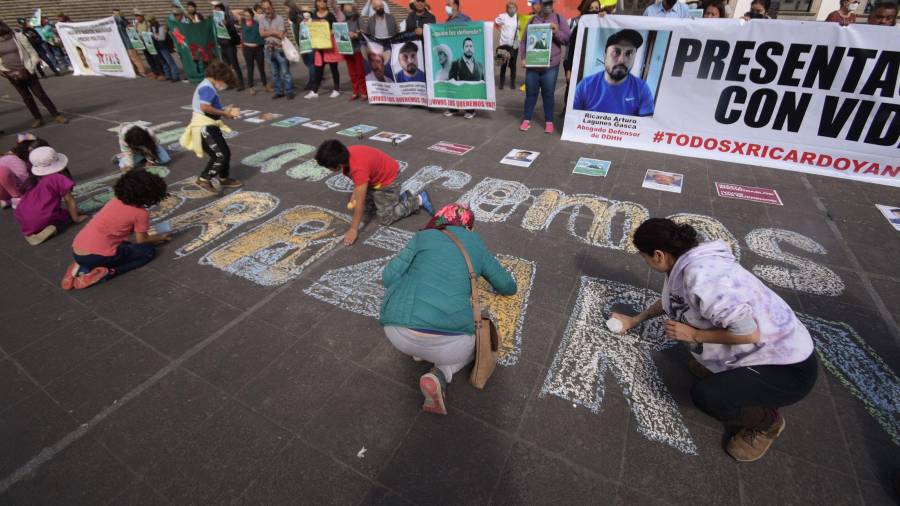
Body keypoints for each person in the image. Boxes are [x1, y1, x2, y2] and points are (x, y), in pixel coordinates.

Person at [611, 218, 818, 462]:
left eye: (644, 257)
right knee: (689, 336)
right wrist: (635, 320)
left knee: (708, 396)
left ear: (658, 255)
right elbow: (673, 302)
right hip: (770, 347)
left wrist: (695, 335)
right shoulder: (685, 261)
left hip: (787, 369)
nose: (645, 262)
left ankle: (767, 423)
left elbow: (748, 333)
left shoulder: (702, 279)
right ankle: (726, 372)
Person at [380, 204, 517, 415]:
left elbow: (388, 277)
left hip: (398, 333)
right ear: (468, 226)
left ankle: (419, 353)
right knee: (480, 341)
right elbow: (507, 286)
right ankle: (442, 373)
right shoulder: (476, 243)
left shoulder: (423, 237)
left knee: (418, 328)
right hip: (451, 344)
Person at [314, 139, 434, 246]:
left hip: (389, 181)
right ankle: (399, 198)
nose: (328, 169)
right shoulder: (346, 154)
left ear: (337, 165)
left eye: (328, 167)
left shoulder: (358, 169)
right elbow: (360, 180)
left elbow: (359, 203)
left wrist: (353, 230)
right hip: (375, 180)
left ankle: (417, 200)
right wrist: (356, 192)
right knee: (369, 209)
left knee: (385, 218)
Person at [65, 170, 171, 291]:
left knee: (126, 245)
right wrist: (160, 238)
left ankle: (81, 268)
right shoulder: (140, 213)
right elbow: (142, 240)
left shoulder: (114, 201)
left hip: (78, 249)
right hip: (96, 256)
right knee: (148, 252)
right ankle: (109, 272)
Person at [182, 60, 243, 194]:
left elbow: (208, 107)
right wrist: (224, 113)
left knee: (224, 153)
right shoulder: (207, 88)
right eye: (224, 81)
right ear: (218, 77)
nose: (224, 84)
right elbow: (205, 107)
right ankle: (204, 179)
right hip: (204, 127)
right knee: (221, 155)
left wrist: (224, 110)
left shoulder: (207, 85)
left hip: (208, 125)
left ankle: (224, 178)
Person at [14, 146, 87, 246]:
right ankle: (54, 228)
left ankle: (32, 233)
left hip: (23, 215)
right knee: (67, 216)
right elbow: (69, 200)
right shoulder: (57, 178)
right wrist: (76, 218)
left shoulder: (32, 178)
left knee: (42, 218)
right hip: (42, 216)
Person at [0, 21, 68, 129]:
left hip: (27, 70)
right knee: (26, 97)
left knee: (40, 94)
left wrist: (30, 68)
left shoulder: (17, 36)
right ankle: (38, 118)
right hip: (11, 73)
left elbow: (32, 53)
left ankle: (56, 115)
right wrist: (3, 70)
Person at [572, 29, 654, 116]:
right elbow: (573, 119)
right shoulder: (584, 86)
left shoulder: (642, 90)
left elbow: (646, 123)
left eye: (629, 53)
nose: (622, 60)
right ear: (604, 56)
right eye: (616, 52)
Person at [519, 0, 570, 133]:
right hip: (533, 64)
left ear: (553, 4)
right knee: (530, 94)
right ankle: (526, 119)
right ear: (540, 4)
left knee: (548, 94)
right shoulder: (532, 20)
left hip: (550, 66)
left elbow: (567, 39)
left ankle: (549, 121)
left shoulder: (559, 19)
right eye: (545, 3)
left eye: (550, 3)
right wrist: (523, 58)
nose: (547, 6)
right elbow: (524, 41)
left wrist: (556, 32)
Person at [443, 1, 479, 119]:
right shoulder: (447, 21)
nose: (446, 7)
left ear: (456, 6)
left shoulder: (465, 19)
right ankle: (453, 108)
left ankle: (470, 109)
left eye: (449, 4)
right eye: (446, 4)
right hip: (453, 57)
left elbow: (472, 34)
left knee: (466, 81)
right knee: (452, 81)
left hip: (463, 55)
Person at [564, 0, 601, 110]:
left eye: (597, 8)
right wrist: (568, 69)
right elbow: (571, 50)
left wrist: (606, 17)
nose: (594, 11)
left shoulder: (602, 25)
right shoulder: (579, 26)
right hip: (577, 68)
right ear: (586, 10)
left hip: (594, 68)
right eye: (591, 8)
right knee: (573, 93)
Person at [259, 0, 295, 100]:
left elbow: (281, 34)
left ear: (272, 7)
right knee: (274, 73)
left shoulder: (279, 18)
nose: (267, 11)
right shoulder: (262, 19)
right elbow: (261, 34)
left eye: (268, 8)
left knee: (285, 72)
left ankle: (289, 91)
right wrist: (274, 31)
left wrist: (269, 32)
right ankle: (279, 91)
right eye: (264, 9)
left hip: (279, 48)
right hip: (268, 49)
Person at [306, 0, 342, 99]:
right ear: (316, 3)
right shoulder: (314, 15)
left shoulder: (330, 15)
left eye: (324, 1)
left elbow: (336, 28)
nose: (322, 3)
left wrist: (329, 31)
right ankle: (314, 91)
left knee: (333, 67)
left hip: (329, 45)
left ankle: (336, 89)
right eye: (320, 1)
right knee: (318, 68)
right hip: (319, 46)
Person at [213, 2, 246, 91]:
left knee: (235, 65)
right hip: (222, 45)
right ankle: (229, 83)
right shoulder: (215, 19)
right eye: (215, 9)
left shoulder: (229, 19)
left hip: (230, 45)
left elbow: (233, 32)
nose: (217, 11)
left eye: (218, 9)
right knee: (226, 65)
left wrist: (226, 24)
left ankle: (241, 83)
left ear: (222, 11)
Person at [0, 134, 37, 210]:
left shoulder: (8, 155)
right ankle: (15, 199)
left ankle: (7, 201)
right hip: (13, 189)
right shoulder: (16, 159)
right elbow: (24, 179)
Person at [341, 3, 368, 100]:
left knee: (360, 72)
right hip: (347, 50)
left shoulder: (359, 19)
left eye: (348, 8)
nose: (347, 11)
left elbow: (365, 32)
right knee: (352, 73)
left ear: (353, 8)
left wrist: (356, 35)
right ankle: (355, 91)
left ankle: (364, 91)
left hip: (358, 49)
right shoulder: (342, 22)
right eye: (345, 10)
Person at [239, 7, 268, 95]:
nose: (247, 17)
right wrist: (244, 11)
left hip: (258, 48)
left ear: (252, 15)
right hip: (247, 49)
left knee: (261, 67)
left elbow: (262, 18)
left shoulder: (257, 23)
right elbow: (234, 12)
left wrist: (254, 13)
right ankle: (251, 87)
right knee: (250, 68)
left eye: (248, 15)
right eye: (245, 15)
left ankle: (265, 85)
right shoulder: (243, 22)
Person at [495, 2, 519, 90]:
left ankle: (512, 83)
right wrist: (499, 29)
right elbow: (496, 22)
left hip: (514, 45)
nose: (511, 10)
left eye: (513, 8)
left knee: (513, 65)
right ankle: (501, 83)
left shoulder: (518, 18)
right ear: (507, 9)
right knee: (503, 64)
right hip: (503, 44)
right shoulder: (502, 16)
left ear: (516, 9)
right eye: (509, 8)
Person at [150, 17, 181, 82]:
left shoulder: (160, 27)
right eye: (149, 21)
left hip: (163, 47)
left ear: (154, 20)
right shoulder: (151, 28)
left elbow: (162, 38)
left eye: (151, 20)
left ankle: (175, 76)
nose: (150, 22)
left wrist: (154, 35)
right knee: (163, 62)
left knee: (170, 61)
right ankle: (167, 75)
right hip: (157, 47)